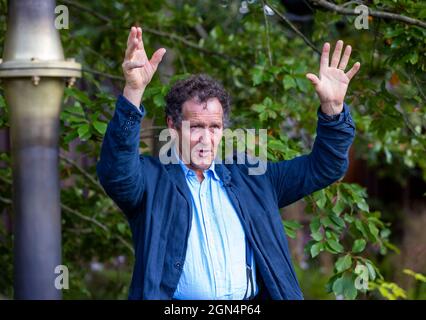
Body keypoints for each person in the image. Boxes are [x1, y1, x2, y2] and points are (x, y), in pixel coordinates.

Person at [96, 26, 360, 300]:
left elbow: (325, 166)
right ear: (173, 126)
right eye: (196, 127)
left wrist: (332, 109)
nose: (206, 139)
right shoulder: (152, 181)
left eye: (214, 127)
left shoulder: (255, 178)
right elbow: (116, 173)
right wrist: (133, 91)